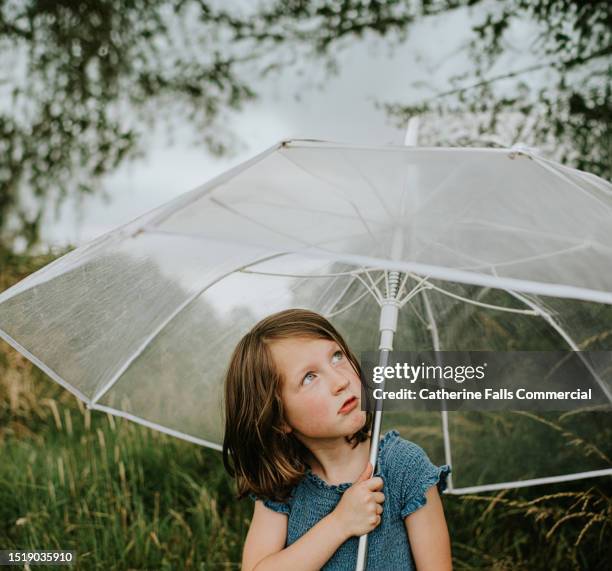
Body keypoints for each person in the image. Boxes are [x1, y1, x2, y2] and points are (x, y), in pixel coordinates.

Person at [222, 308, 452, 570]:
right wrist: (339, 524)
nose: (340, 381)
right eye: (309, 377)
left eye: (337, 356)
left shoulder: (403, 466)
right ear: (279, 419)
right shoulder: (283, 487)